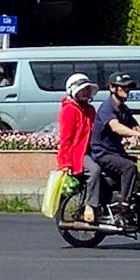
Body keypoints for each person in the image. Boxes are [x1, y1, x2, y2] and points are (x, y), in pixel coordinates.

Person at [88, 73, 140, 218]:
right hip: (102, 153)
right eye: (123, 87)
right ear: (112, 88)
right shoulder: (106, 107)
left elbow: (134, 125)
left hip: (116, 152)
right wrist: (136, 134)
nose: (127, 90)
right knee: (129, 167)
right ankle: (124, 206)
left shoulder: (123, 109)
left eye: (128, 88)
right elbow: (116, 127)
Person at [54, 72, 100, 224]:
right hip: (78, 155)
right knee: (95, 170)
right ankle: (90, 206)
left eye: (87, 89)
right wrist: (65, 163)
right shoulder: (69, 110)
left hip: (93, 151)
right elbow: (66, 139)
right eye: (82, 90)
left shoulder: (90, 109)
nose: (86, 93)